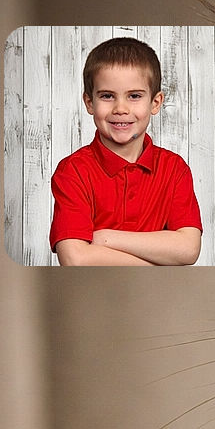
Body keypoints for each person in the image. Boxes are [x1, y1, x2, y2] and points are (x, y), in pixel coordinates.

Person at [49, 37, 202, 266]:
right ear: (89, 103)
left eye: (134, 96)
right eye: (107, 96)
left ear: (155, 103)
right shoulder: (73, 171)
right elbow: (75, 259)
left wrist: (106, 238)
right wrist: (156, 266)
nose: (121, 109)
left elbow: (189, 249)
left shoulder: (174, 169)